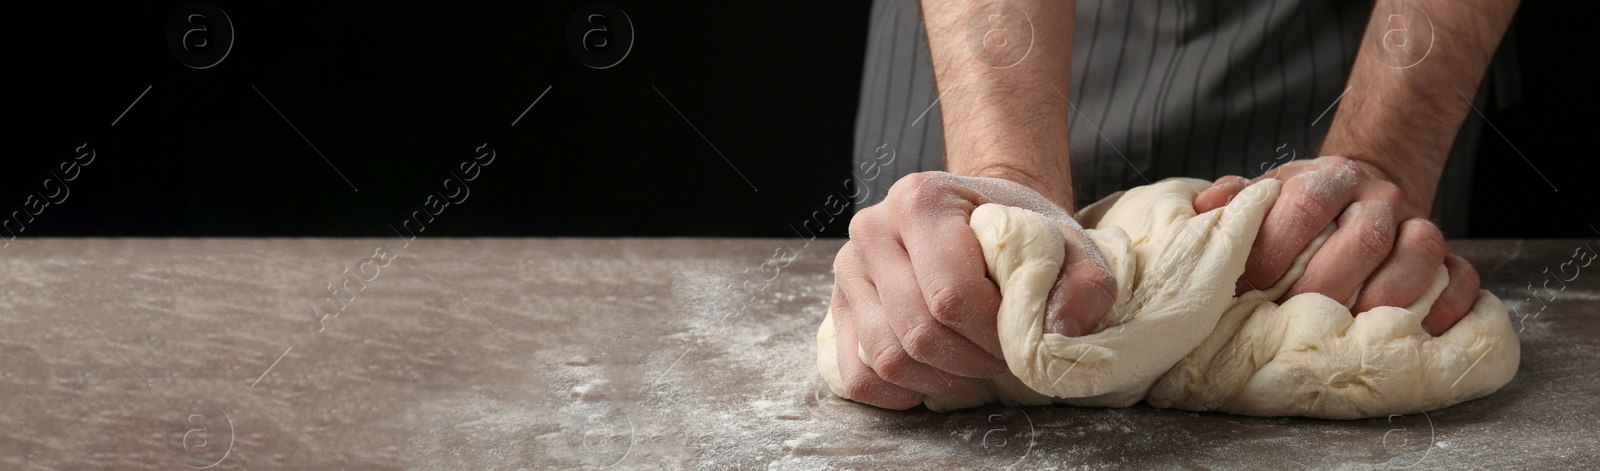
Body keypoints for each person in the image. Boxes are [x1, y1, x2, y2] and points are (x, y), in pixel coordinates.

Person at [832, 0, 1521, 409]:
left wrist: (1382, 155)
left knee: (1360, 255)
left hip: (1350, 54)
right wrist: (1002, 178)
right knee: (937, 310)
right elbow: (990, 219)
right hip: (988, 56)